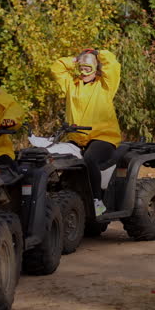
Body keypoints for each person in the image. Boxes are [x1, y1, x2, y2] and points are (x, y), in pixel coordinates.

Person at [51, 49, 122, 215]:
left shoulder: (105, 85)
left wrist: (98, 54)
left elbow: (113, 65)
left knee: (89, 158)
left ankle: (97, 201)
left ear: (95, 69)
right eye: (81, 68)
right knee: (54, 157)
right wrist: (75, 59)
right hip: (77, 138)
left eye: (88, 69)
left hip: (103, 136)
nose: (83, 72)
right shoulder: (71, 85)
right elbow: (56, 68)